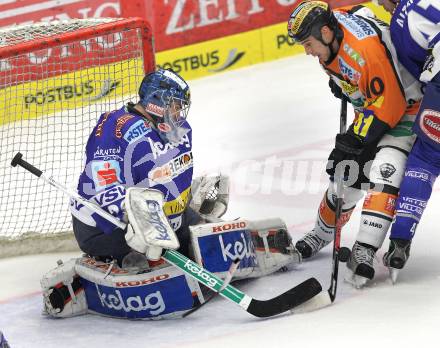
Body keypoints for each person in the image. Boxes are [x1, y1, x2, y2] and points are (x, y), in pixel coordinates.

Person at [40, 68, 301, 320]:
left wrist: (187, 198)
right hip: (106, 225)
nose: (178, 112)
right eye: (174, 105)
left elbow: (169, 175)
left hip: (161, 221)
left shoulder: (179, 129)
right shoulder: (115, 128)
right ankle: (101, 271)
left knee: (208, 240)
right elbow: (104, 185)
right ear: (156, 101)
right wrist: (139, 221)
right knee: (140, 262)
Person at [287, 0, 422, 287]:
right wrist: (345, 84)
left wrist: (356, 138)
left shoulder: (365, 53)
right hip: (377, 103)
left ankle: (365, 248)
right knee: (347, 174)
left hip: (407, 108)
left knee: (386, 170)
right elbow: (360, 9)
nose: (307, 52)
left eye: (308, 44)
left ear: (325, 32)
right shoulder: (333, 26)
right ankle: (322, 233)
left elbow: (393, 104)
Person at [374, 0, 440, 281]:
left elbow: (416, 80)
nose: (382, 6)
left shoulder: (399, 23)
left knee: (425, 158)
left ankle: (400, 240)